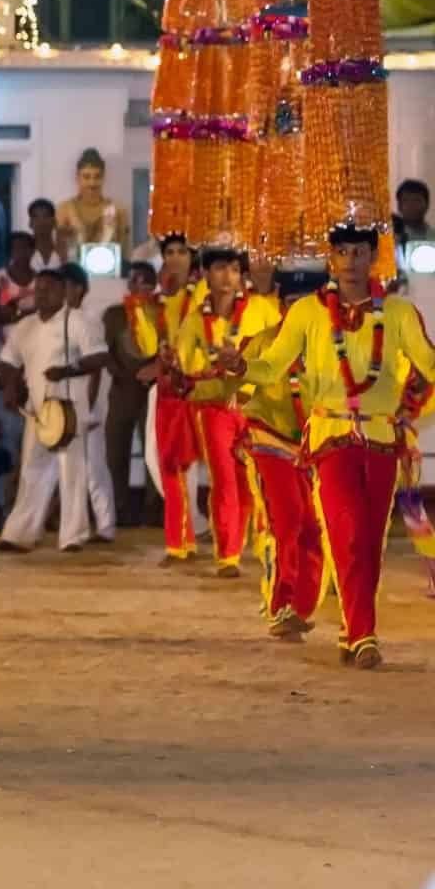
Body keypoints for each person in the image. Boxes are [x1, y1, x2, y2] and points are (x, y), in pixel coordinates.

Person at [225, 224, 435, 668]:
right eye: (344, 252)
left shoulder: (398, 312)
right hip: (330, 438)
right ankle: (364, 636)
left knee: (371, 541)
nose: (353, 261)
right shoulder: (306, 312)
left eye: (361, 252)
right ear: (332, 259)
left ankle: (352, 630)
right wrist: (241, 365)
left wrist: (407, 409)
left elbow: (429, 365)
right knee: (347, 531)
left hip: (380, 439)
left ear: (372, 258)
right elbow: (272, 368)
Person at [169, 246, 281, 578]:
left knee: (259, 479)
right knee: (224, 479)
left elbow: (279, 349)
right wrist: (213, 366)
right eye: (220, 269)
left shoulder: (262, 309)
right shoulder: (194, 319)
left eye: (234, 270)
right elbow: (186, 367)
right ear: (205, 274)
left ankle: (266, 545)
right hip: (215, 409)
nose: (228, 277)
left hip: (254, 406)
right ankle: (229, 554)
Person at [239, 270, 328, 640]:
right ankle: (280, 605)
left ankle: (301, 609)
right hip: (269, 440)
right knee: (287, 522)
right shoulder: (261, 344)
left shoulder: (329, 346)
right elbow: (239, 390)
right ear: (281, 304)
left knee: (313, 529)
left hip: (315, 447)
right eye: (291, 303)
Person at [0, 267, 108, 553]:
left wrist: (69, 370)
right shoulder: (25, 326)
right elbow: (8, 360)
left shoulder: (79, 321)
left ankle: (72, 536)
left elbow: (99, 356)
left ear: (63, 292)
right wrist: (9, 387)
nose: (43, 294)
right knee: (31, 470)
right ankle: (20, 533)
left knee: (72, 472)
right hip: (37, 411)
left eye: (50, 289)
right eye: (39, 289)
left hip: (70, 409)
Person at [132, 234, 208, 564]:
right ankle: (188, 532)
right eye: (170, 252)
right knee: (160, 461)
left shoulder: (205, 293)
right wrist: (139, 306)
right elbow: (147, 345)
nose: (176, 258)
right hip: (167, 390)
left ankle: (187, 539)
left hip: (201, 388)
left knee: (197, 465)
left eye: (182, 252)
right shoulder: (159, 300)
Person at [61, 264, 118, 542]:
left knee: (94, 467)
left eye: (68, 286)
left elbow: (96, 366)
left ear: (79, 289)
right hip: (65, 401)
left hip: (86, 400)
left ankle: (105, 527)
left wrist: (91, 404)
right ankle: (75, 526)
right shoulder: (59, 321)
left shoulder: (88, 320)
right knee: (69, 467)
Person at [103, 262, 157, 527]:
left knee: (152, 453)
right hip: (122, 389)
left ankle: (153, 509)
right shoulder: (114, 315)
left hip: (152, 391)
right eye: (137, 280)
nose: (141, 285)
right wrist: (121, 375)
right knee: (116, 451)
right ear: (129, 284)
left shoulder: (161, 313)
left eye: (147, 281)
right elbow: (106, 352)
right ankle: (119, 509)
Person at [55, 148, 131, 250]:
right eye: (86, 177)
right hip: (74, 264)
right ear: (77, 177)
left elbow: (124, 249)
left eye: (97, 176)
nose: (92, 183)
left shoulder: (118, 209)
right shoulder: (65, 209)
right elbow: (59, 248)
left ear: (103, 177)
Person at [0, 231, 39, 345]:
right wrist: (23, 314)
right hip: (4, 342)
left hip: (34, 340)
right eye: (16, 248)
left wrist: (15, 314)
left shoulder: (40, 280)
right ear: (10, 252)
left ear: (32, 251)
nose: (21, 253)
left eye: (25, 248)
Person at [28, 198, 70, 269]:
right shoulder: (25, 251)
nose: (41, 221)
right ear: (30, 223)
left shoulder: (65, 250)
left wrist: (64, 258)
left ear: (54, 222)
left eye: (46, 216)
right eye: (36, 217)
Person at [394, 179, 432, 244]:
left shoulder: (432, 236)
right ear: (399, 206)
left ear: (427, 204)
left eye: (417, 200)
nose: (411, 205)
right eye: (406, 200)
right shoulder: (390, 237)